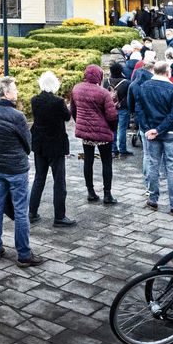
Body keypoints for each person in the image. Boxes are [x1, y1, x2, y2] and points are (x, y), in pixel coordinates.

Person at [0, 76, 41, 266]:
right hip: (16, 169)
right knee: (21, 211)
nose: (17, 92)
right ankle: (24, 254)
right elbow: (28, 144)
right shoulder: (17, 117)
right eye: (14, 89)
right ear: (6, 93)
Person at [132, 61, 173, 214]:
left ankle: (153, 199)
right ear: (167, 72)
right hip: (171, 133)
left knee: (153, 164)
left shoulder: (143, 87)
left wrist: (149, 129)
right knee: (172, 167)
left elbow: (139, 111)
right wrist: (159, 129)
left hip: (151, 133)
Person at [29, 71, 74, 227]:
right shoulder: (58, 102)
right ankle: (59, 216)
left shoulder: (34, 100)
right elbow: (67, 117)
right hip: (56, 145)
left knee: (39, 178)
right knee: (59, 182)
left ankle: (32, 212)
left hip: (40, 144)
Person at [71, 64, 119, 205]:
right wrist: (112, 129)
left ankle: (91, 192)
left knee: (88, 161)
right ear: (99, 75)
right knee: (106, 163)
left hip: (86, 134)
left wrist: (81, 124)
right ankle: (107, 194)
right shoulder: (103, 93)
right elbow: (111, 116)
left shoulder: (76, 89)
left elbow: (73, 111)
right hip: (103, 133)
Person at [108, 61, 133, 158]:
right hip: (123, 108)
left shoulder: (107, 81)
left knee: (113, 128)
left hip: (110, 108)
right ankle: (123, 149)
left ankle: (114, 148)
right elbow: (129, 97)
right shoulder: (126, 82)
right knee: (122, 129)